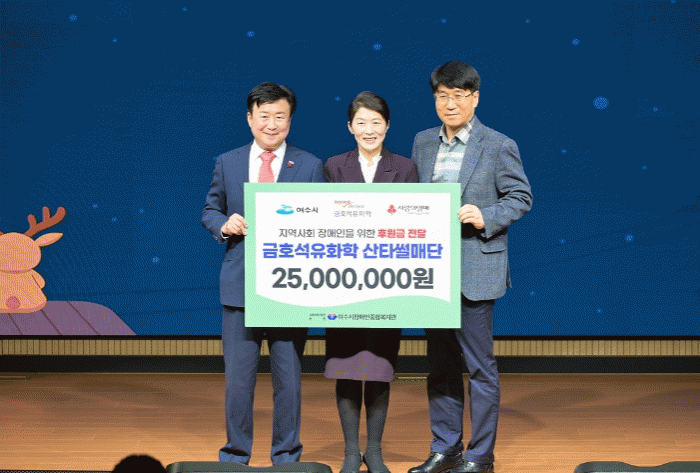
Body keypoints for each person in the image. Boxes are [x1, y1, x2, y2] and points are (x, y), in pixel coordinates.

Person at [408, 62, 532, 473]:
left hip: (475, 269)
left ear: (474, 98)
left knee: (480, 368)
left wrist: (485, 215)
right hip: (431, 271)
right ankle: (445, 448)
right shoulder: (423, 142)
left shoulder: (498, 144)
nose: (450, 104)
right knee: (440, 366)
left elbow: (520, 197)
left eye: (459, 96)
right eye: (442, 96)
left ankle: (480, 456)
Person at [202, 82, 324, 465]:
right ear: (250, 118)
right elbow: (210, 210)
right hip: (240, 287)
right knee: (238, 382)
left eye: (280, 117)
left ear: (290, 120)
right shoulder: (229, 162)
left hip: (288, 289)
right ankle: (235, 456)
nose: (272, 124)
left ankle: (286, 456)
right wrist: (225, 224)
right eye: (264, 116)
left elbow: (322, 220)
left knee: (289, 381)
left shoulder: (310, 165)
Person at [324, 91, 418, 473]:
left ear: (387, 126)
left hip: (386, 286)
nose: (369, 130)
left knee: (379, 369)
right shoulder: (334, 166)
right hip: (343, 287)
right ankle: (351, 452)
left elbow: (415, 222)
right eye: (361, 122)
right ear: (350, 127)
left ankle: (374, 451)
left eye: (376, 122)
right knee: (346, 368)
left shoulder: (405, 168)